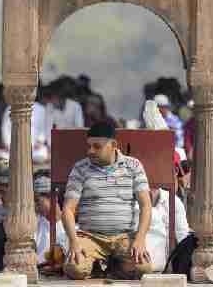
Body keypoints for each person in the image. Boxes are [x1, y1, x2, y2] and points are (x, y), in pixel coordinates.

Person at [61, 120, 153, 280]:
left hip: (124, 237)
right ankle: (96, 266)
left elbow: (146, 206)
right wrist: (74, 242)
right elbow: (68, 210)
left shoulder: (133, 166)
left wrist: (140, 238)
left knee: (143, 268)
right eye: (89, 146)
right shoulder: (80, 168)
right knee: (74, 269)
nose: (90, 151)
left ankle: (114, 266)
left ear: (113, 145)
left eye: (97, 146)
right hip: (90, 236)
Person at [137, 184, 190, 271]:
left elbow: (183, 237)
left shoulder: (173, 200)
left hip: (162, 269)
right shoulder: (131, 199)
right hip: (135, 268)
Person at [34, 173, 69, 263]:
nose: (34, 205)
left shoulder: (70, 226)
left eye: (37, 200)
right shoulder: (34, 226)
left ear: (53, 197)